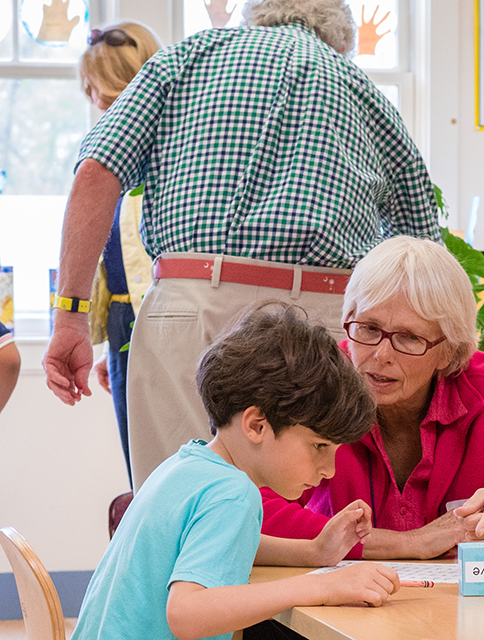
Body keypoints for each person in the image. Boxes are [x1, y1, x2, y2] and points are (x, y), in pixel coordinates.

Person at [44, 0, 440, 490]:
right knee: (314, 520)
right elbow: (422, 254)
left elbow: (96, 172)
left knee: (180, 509)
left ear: (254, 14)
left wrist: (70, 317)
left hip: (193, 306)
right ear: (341, 38)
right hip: (326, 319)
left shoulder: (183, 60)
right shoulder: (366, 93)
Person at [260, 236, 484, 566]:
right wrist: (409, 544)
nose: (380, 355)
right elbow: (247, 509)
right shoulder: (317, 378)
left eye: (409, 338)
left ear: (449, 351)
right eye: (367, 328)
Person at [69, 305, 400, 640]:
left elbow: (223, 543)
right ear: (256, 425)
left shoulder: (188, 464)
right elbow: (186, 614)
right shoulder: (232, 492)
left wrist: (314, 551)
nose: (329, 470)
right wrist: (321, 586)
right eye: (319, 447)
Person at [78, 22, 161, 485]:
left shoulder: (161, 152)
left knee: (163, 454)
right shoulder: (107, 151)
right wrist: (110, 344)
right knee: (138, 461)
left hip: (157, 312)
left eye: (105, 97)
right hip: (124, 318)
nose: (97, 105)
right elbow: (113, 257)